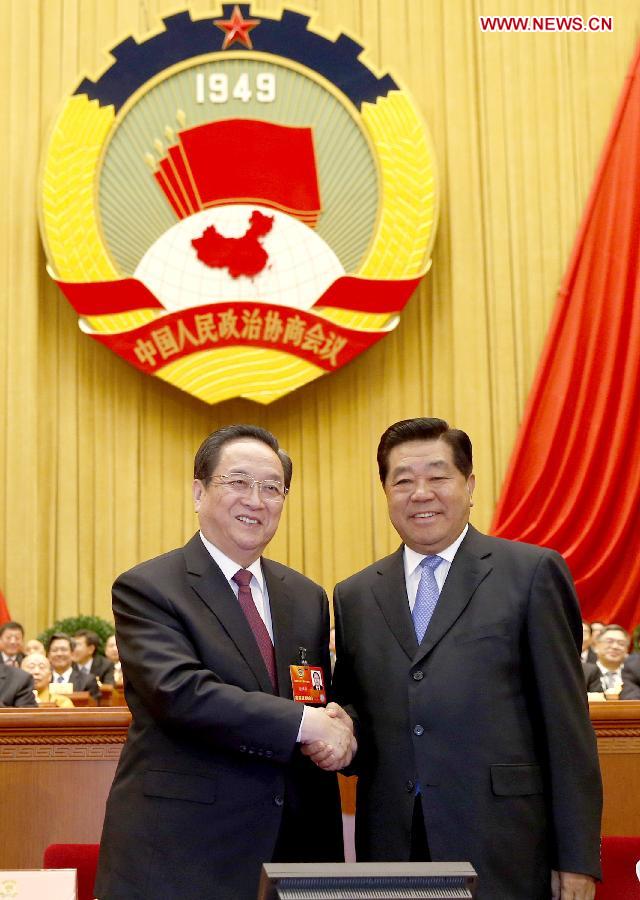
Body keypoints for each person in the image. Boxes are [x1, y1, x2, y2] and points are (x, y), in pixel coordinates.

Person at [323, 417, 602, 900]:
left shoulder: (530, 573)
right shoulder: (355, 595)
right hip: (393, 849)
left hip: (505, 845)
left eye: (438, 476)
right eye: (403, 481)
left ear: (469, 485)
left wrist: (576, 858)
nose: (421, 493)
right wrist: (339, 731)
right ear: (385, 492)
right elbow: (359, 711)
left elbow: (567, 728)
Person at [95, 424, 353, 900]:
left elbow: (314, 695)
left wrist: (340, 732)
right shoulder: (148, 587)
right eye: (237, 482)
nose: (256, 500)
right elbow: (180, 693)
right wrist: (308, 724)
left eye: (272, 488)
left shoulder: (306, 596)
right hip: (184, 856)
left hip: (294, 853)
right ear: (199, 492)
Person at [46, 633, 100, 700]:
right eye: (54, 650)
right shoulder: (41, 681)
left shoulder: (87, 681)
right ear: (48, 655)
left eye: (63, 650)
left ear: (72, 653)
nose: (59, 654)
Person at [592, 624, 630, 694]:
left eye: (621, 643)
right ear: (596, 646)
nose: (615, 646)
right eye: (609, 641)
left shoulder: (633, 676)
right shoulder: (584, 673)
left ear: (626, 650)